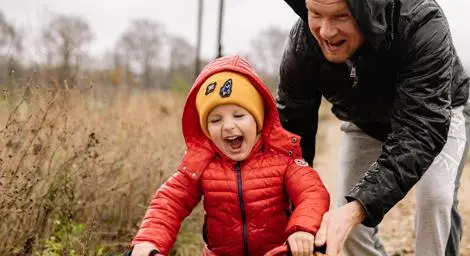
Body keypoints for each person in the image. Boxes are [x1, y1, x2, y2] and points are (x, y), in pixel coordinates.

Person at [275, 0, 470, 255]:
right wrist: (296, 212)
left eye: (340, 16)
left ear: (366, 12)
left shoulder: (422, 22)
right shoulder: (303, 44)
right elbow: (293, 134)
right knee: (348, 222)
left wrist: (358, 209)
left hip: (438, 113)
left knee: (435, 200)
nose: (326, 31)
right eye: (316, 14)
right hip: (365, 121)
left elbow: (420, 131)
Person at [128, 55, 330, 256]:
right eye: (215, 120)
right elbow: (169, 202)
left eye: (239, 115)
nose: (228, 126)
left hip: (278, 253)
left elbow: (312, 193)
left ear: (258, 119)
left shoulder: (282, 158)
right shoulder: (202, 163)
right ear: (205, 129)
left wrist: (302, 229)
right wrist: (149, 241)